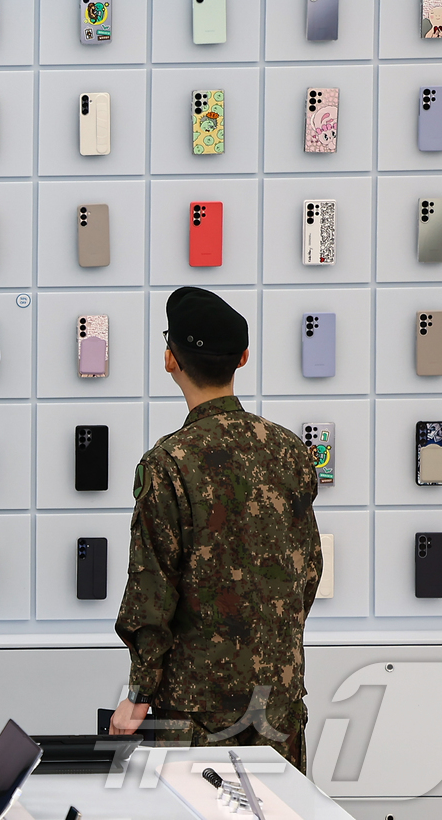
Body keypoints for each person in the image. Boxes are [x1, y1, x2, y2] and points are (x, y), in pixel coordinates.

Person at [109, 287, 322, 773]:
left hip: (196, 710)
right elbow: (308, 571)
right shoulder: (289, 451)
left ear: (170, 359)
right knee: (276, 807)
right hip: (278, 702)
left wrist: (139, 694)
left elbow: (151, 591)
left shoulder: (169, 463)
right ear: (242, 358)